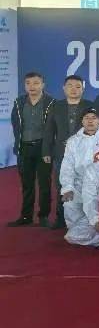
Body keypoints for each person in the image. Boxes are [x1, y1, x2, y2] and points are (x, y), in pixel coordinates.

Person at [42, 74, 92, 229]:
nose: (74, 89)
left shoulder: (90, 105)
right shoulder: (56, 106)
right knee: (62, 185)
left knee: (85, 184)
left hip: (85, 153)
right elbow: (49, 130)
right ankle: (61, 218)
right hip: (61, 153)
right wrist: (46, 151)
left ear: (83, 89)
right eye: (70, 86)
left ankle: (86, 217)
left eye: (78, 86)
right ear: (64, 88)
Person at [9, 71, 55, 227]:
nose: (32, 86)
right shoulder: (19, 102)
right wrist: (18, 144)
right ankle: (26, 216)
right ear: (25, 85)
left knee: (44, 184)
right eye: (28, 83)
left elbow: (53, 127)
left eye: (36, 83)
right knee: (27, 184)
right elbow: (16, 124)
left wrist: (49, 148)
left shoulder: (51, 102)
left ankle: (43, 216)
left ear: (43, 85)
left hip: (43, 149)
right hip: (24, 148)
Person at [59, 108, 99, 245]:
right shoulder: (73, 141)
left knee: (95, 213)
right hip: (79, 184)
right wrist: (67, 188)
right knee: (69, 204)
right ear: (82, 121)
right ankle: (84, 232)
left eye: (94, 118)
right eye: (87, 118)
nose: (90, 121)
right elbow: (67, 166)